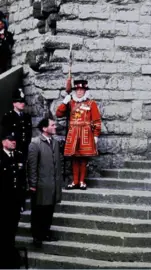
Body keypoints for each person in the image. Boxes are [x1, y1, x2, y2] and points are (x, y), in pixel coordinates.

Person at [56, 80, 101, 190]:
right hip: (73, 133)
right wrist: (64, 102)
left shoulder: (91, 103)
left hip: (85, 133)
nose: (79, 92)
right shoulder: (71, 103)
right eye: (77, 90)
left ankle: (81, 181)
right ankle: (75, 181)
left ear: (85, 91)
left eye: (82, 90)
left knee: (84, 158)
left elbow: (96, 121)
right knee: (74, 157)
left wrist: (96, 135)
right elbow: (58, 114)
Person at [27, 118, 63, 248]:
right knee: (38, 212)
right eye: (52, 125)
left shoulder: (55, 143)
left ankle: (46, 233)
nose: (55, 127)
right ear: (44, 128)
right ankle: (37, 236)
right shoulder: (35, 143)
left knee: (49, 211)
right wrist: (32, 184)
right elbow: (32, 166)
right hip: (41, 185)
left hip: (53, 184)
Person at [0, 131, 26, 268]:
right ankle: (6, 257)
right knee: (3, 230)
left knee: (12, 229)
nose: (13, 142)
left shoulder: (19, 156)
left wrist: (22, 201)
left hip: (15, 201)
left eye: (15, 140)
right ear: (3, 142)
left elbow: (22, 181)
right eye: (10, 140)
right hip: (3, 202)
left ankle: (10, 255)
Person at [1, 88, 32, 160]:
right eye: (20, 101)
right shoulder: (8, 117)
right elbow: (5, 136)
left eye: (23, 101)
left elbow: (28, 134)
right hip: (13, 151)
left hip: (25, 150)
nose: (23, 104)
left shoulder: (27, 117)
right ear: (14, 103)